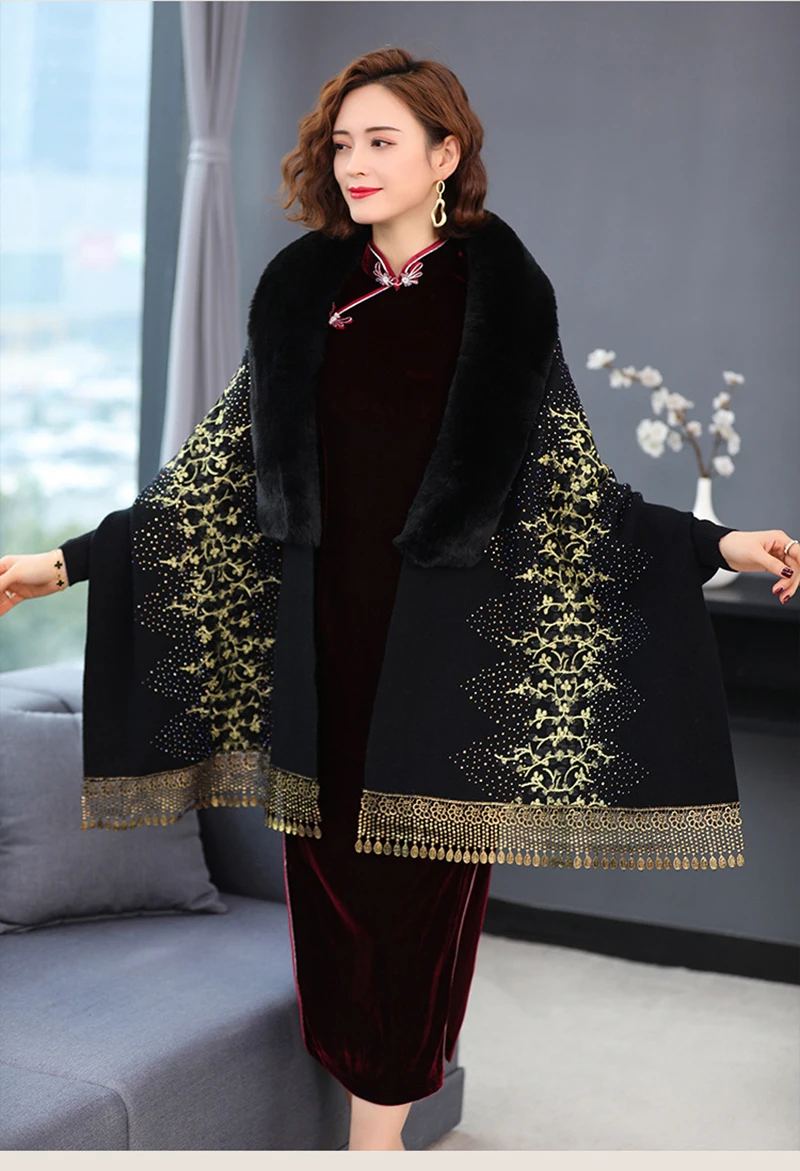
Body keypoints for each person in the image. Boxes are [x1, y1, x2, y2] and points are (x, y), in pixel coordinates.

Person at [1, 47, 797, 1153]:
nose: (355, 162)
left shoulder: (502, 301)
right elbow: (216, 477)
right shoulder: (301, 294)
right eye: (342, 143)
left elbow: (575, 491)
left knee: (414, 920)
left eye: (381, 141)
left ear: (444, 154)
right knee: (332, 918)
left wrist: (717, 542)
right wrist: (63, 563)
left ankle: (373, 1148)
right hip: (320, 662)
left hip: (445, 667)